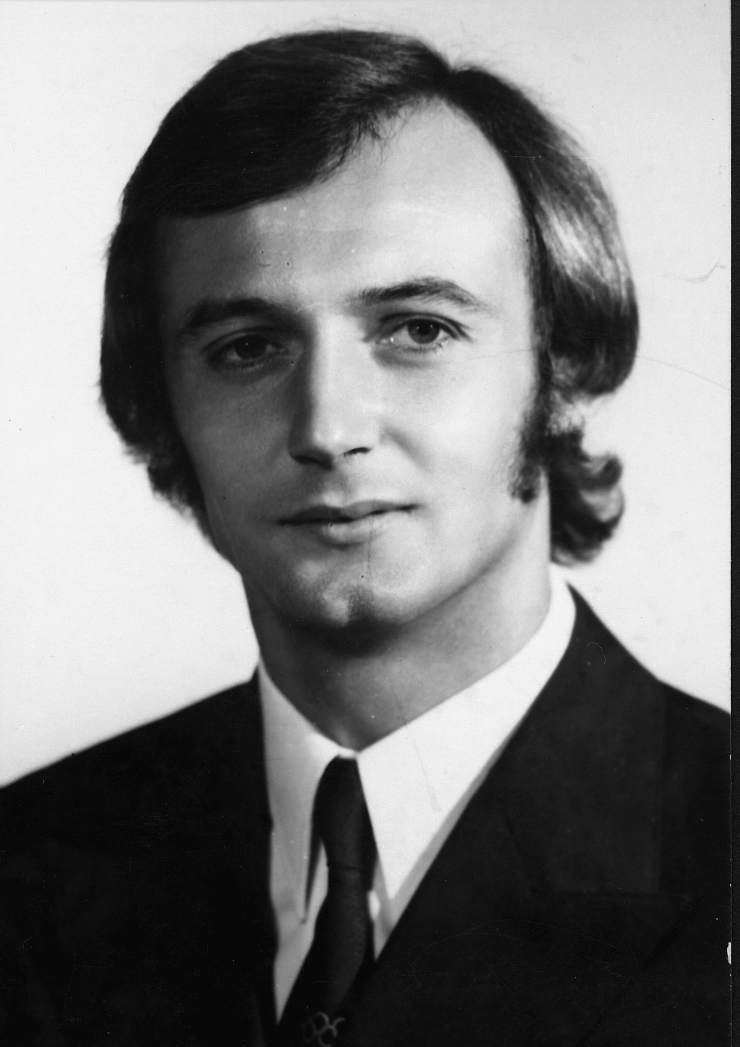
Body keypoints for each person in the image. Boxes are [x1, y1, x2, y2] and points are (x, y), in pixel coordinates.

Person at [0, 29, 729, 1047]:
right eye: (247, 348)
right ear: (159, 410)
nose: (327, 427)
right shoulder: (28, 866)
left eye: (418, 329)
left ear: (563, 367)